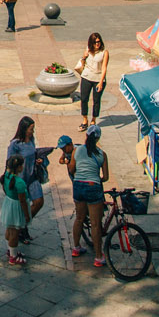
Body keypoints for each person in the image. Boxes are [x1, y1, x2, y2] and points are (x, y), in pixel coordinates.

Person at [67, 126, 110, 268]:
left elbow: (72, 169)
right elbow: (106, 177)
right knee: (96, 224)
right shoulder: (102, 154)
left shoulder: (77, 150)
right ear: (98, 138)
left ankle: (76, 248)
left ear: (85, 135)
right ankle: (98, 257)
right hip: (93, 186)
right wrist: (96, 178)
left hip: (78, 185)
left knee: (79, 218)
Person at [6, 116, 53, 239]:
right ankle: (20, 229)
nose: (32, 131)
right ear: (24, 129)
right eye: (31, 129)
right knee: (21, 205)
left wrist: (37, 161)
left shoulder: (31, 139)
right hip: (21, 179)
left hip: (32, 176)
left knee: (39, 202)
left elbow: (32, 153)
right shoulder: (15, 144)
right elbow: (9, 163)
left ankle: (23, 225)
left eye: (33, 129)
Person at [0, 154, 29, 265]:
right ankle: (13, 257)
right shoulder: (19, 183)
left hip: (8, 203)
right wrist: (26, 214)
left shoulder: (6, 176)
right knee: (15, 233)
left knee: (9, 230)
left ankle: (11, 251)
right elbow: (22, 201)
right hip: (16, 208)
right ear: (19, 167)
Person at [75, 33, 108, 131]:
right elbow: (83, 63)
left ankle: (93, 120)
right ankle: (85, 120)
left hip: (98, 78)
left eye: (98, 42)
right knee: (84, 99)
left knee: (96, 100)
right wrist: (84, 57)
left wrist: (101, 81)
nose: (97, 44)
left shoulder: (104, 52)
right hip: (86, 76)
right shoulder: (88, 50)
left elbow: (104, 67)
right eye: (95, 42)